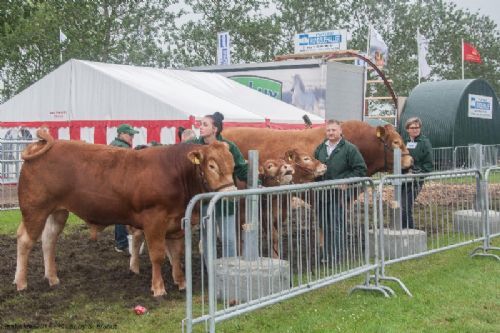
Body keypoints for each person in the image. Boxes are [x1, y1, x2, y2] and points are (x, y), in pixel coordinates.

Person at [188, 112, 248, 260]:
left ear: (215, 129)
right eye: (200, 124)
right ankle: (211, 274)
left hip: (225, 198)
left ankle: (229, 274)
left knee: (228, 238)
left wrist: (257, 182)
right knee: (208, 239)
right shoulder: (194, 147)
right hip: (204, 200)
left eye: (205, 124)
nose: (200, 127)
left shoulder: (228, 147)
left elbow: (241, 168)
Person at [314, 119, 367, 264]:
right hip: (322, 193)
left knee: (336, 225)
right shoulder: (320, 148)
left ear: (340, 131)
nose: (330, 133)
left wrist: (347, 180)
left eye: (334, 130)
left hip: (339, 194)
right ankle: (326, 255)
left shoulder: (350, 149)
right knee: (324, 225)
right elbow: (314, 165)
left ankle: (336, 257)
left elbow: (361, 169)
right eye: (328, 130)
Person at [110, 124, 139, 253]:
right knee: (123, 215)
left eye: (133, 135)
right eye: (130, 134)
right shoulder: (123, 148)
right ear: (121, 134)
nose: (132, 137)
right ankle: (122, 243)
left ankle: (120, 242)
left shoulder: (114, 144)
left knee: (119, 215)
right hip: (121, 185)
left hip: (114, 185)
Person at [401, 117, 433, 229]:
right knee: (400, 205)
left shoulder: (424, 142)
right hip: (402, 179)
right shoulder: (404, 142)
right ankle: (402, 228)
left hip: (416, 180)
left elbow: (429, 164)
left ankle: (409, 230)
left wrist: (417, 173)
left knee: (406, 205)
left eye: (417, 127)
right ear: (407, 129)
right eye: (413, 127)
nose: (415, 130)